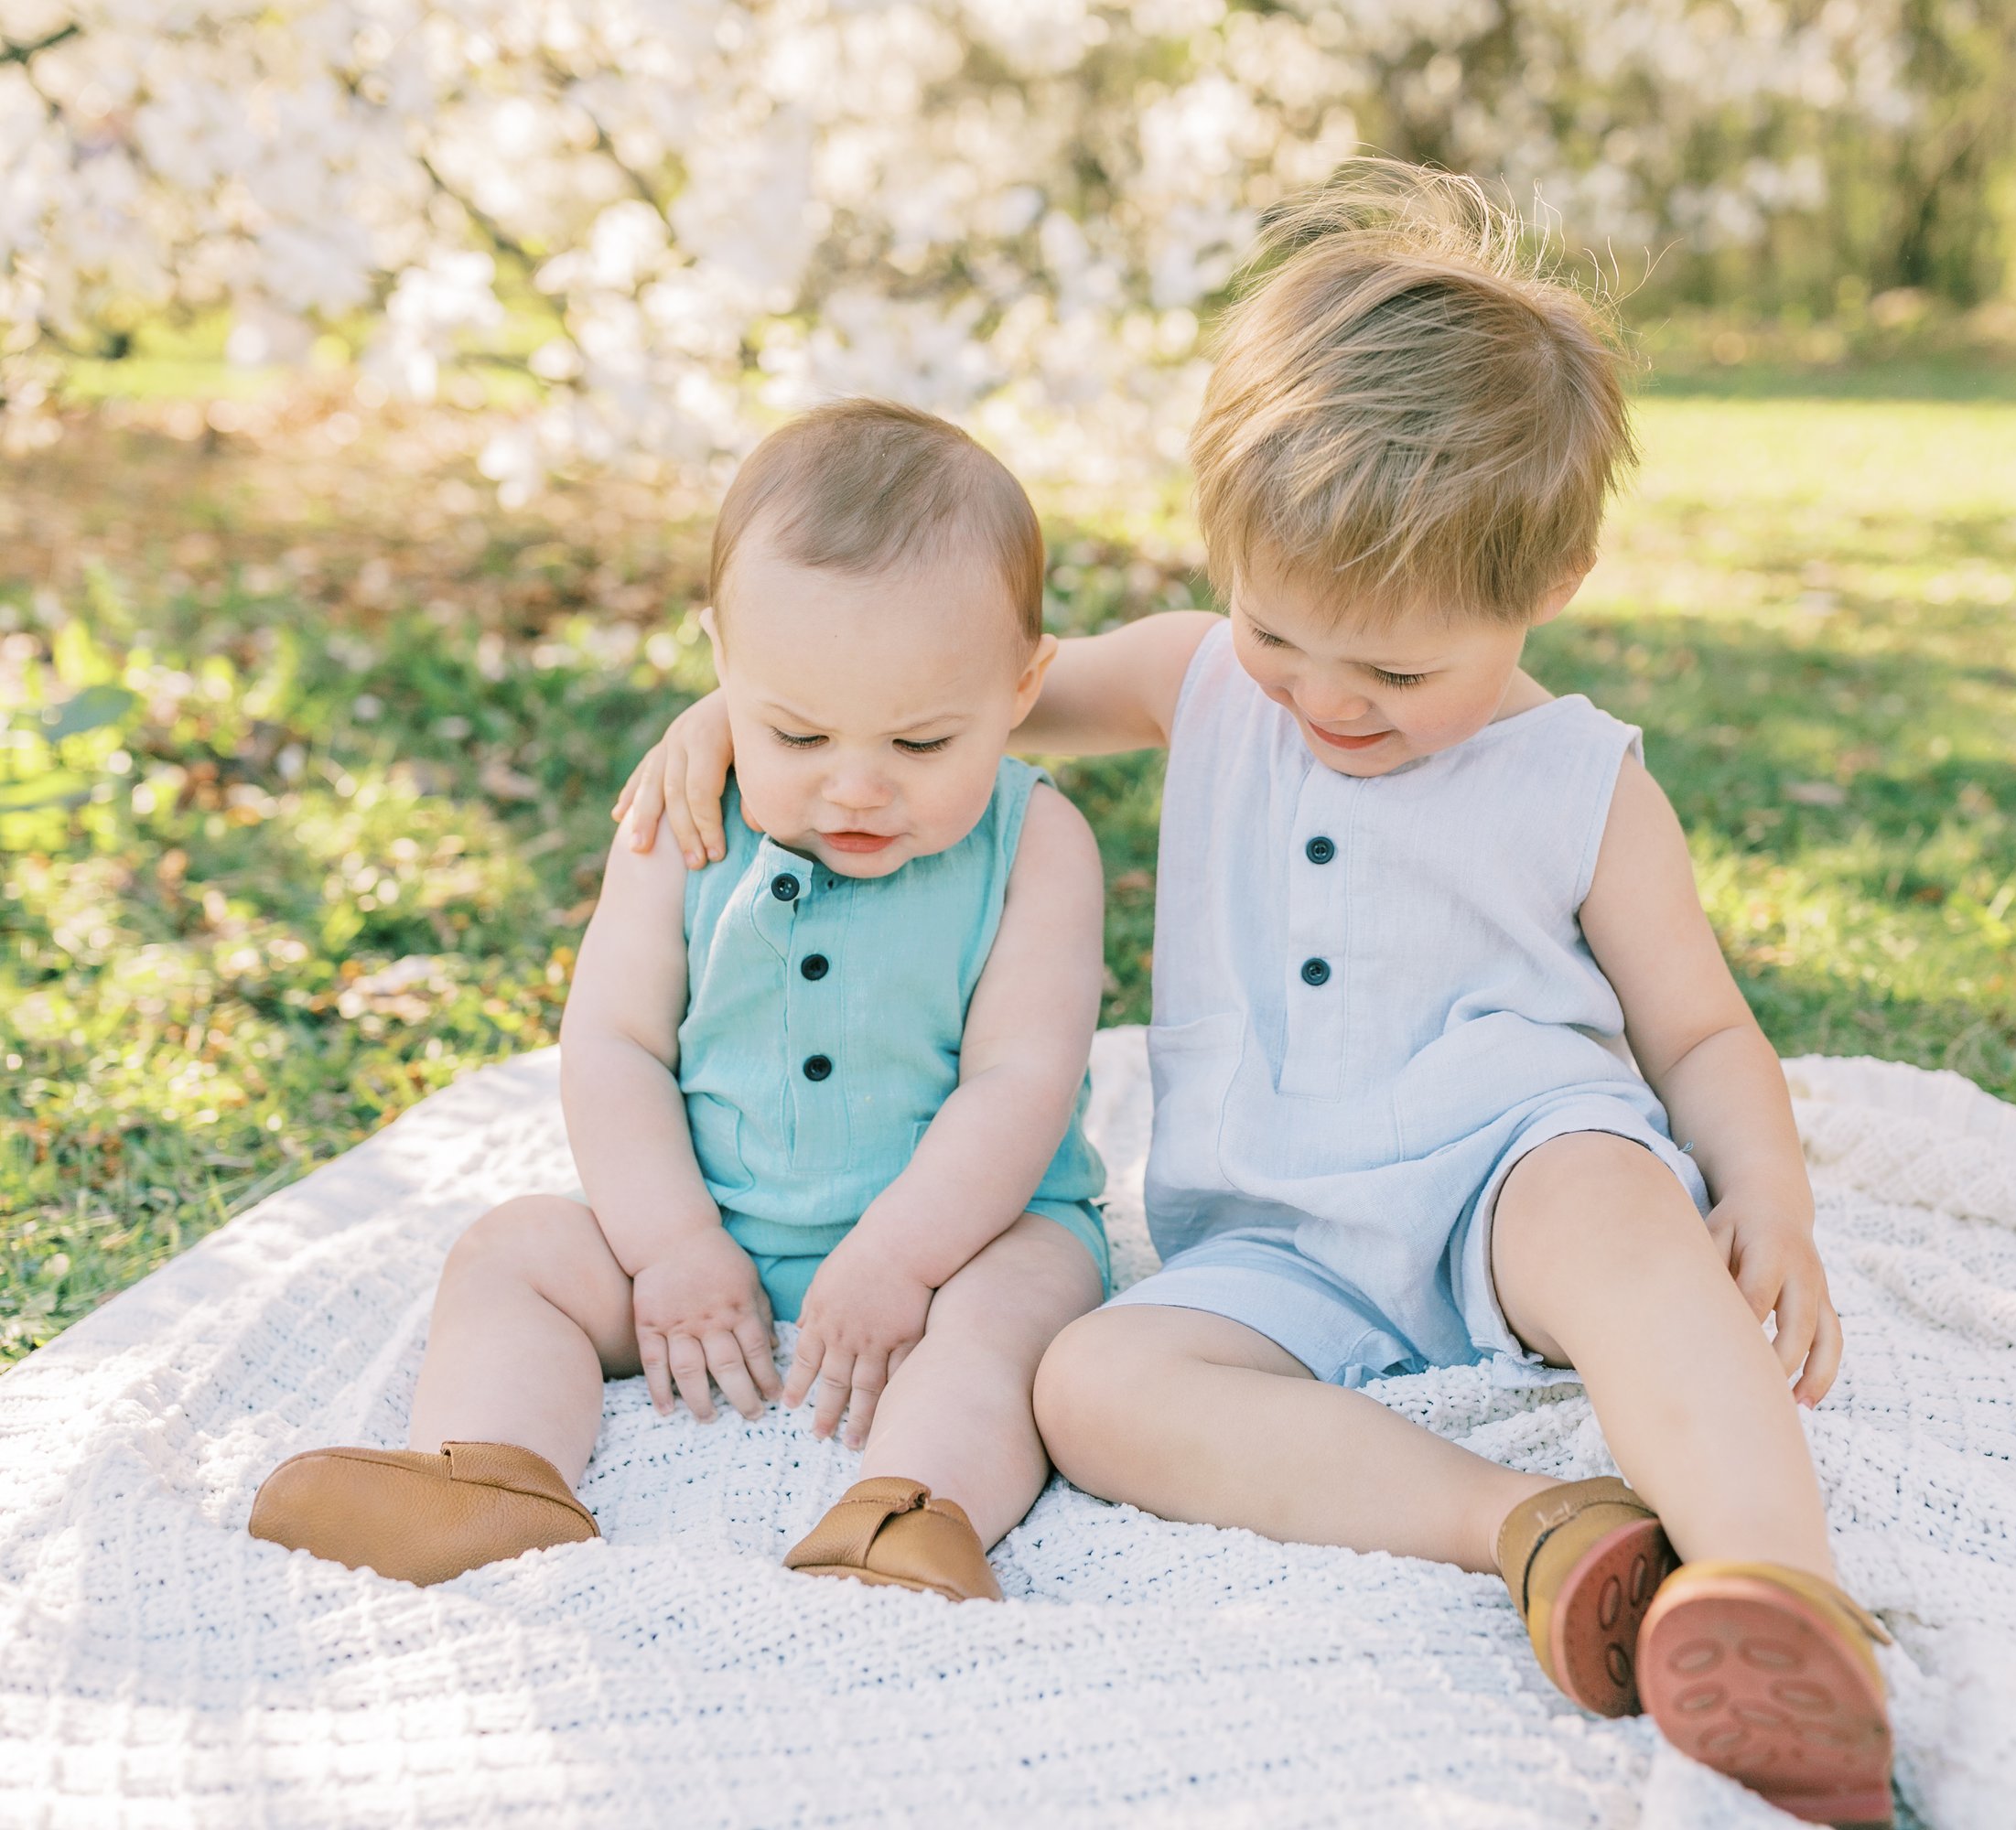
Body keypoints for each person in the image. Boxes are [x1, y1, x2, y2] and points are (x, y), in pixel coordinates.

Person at [612, 167, 1895, 1826]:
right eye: (1283, 633)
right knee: (1093, 1389)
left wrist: (1770, 1196)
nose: (1326, 701)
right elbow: (946, 695)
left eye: (1402, 671)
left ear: (1552, 583)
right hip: (1272, 1235)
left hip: (1507, 1161)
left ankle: (1782, 1600)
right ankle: (1529, 1525)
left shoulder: (1577, 781)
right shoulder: (1204, 680)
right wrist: (740, 722)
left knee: (1622, 1227)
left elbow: (1704, 1029)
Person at [249, 400, 1111, 1603]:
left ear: (1023, 686)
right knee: (515, 1254)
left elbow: (1022, 1079)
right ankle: (493, 1476)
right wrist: (672, 1247)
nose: (856, 786)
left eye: (923, 745)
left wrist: (905, 1260)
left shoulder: (1038, 845)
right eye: (797, 731)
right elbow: (613, 1045)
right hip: (715, 1233)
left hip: (961, 1239)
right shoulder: (685, 820)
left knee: (1025, 1305)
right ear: (722, 670)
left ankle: (909, 1509)